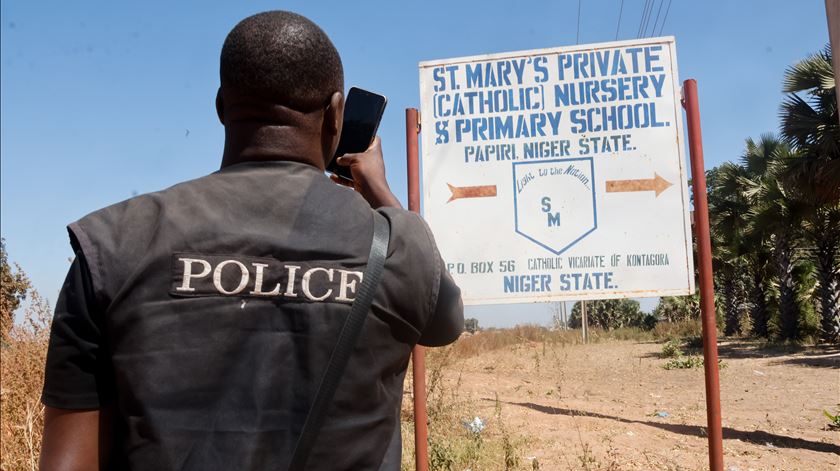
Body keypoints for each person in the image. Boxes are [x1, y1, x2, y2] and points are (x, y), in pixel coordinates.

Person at [39, 10, 463, 471]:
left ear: (222, 107)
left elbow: (69, 459)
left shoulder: (111, 242)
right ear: (336, 114)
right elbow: (445, 323)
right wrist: (379, 191)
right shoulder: (396, 242)